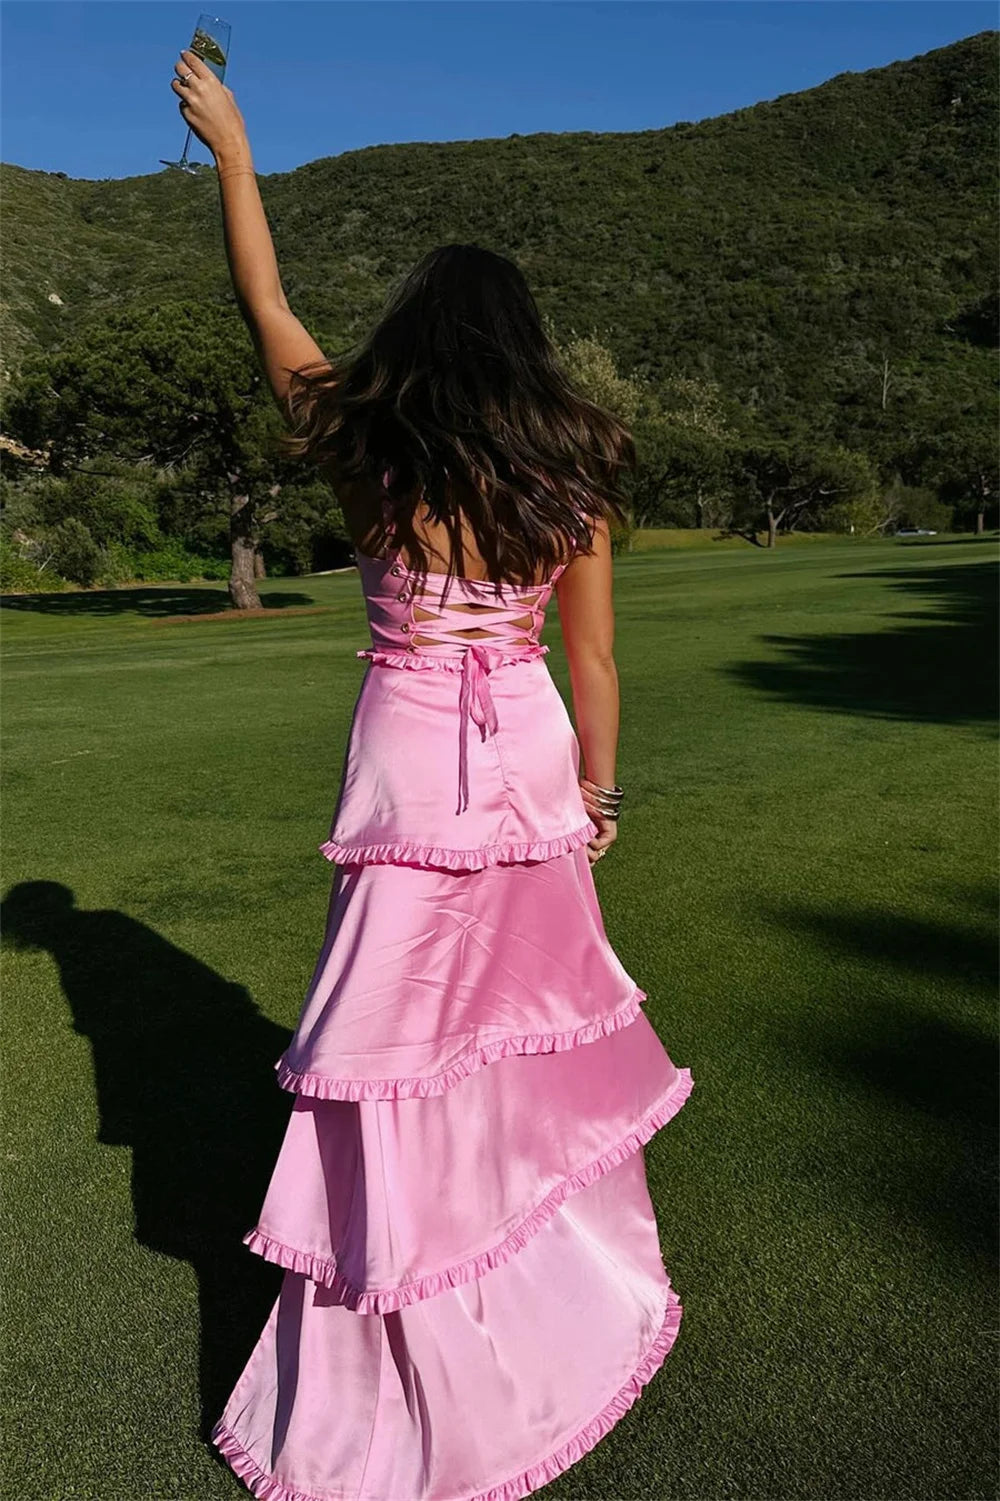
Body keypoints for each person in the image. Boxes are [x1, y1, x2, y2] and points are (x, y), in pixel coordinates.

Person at [172, 48, 695, 1501]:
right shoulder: (573, 462)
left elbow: (266, 309)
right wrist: (594, 797)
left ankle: (405, 1299)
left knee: (396, 1041)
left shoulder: (367, 445)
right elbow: (592, 668)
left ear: (415, 335)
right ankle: (535, 1288)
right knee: (517, 1039)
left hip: (409, 763)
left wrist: (234, 154)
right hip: (525, 759)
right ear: (522, 344)